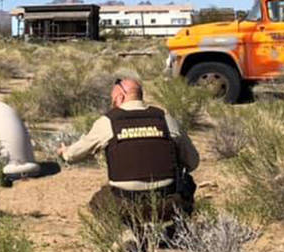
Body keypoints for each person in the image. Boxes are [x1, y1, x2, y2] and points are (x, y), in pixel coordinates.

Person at [59, 76, 199, 240]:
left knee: (98, 201)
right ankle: (175, 230)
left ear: (120, 97)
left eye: (113, 99)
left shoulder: (108, 121)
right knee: (187, 183)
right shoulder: (164, 118)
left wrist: (65, 152)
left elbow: (74, 155)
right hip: (167, 203)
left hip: (126, 203)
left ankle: (124, 234)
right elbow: (193, 162)